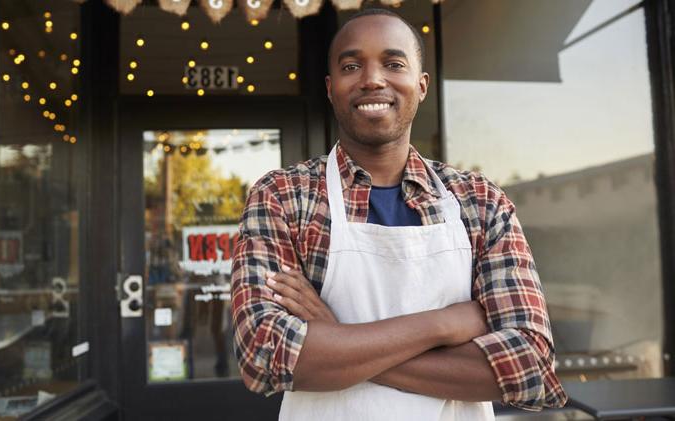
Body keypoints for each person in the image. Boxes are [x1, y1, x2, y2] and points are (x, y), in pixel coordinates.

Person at [231, 8, 567, 420]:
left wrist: (334, 339)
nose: (372, 79)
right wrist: (442, 325)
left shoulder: (479, 201)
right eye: (351, 66)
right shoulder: (284, 196)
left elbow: (528, 367)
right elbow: (264, 355)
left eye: (394, 64)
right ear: (331, 87)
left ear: (421, 85)